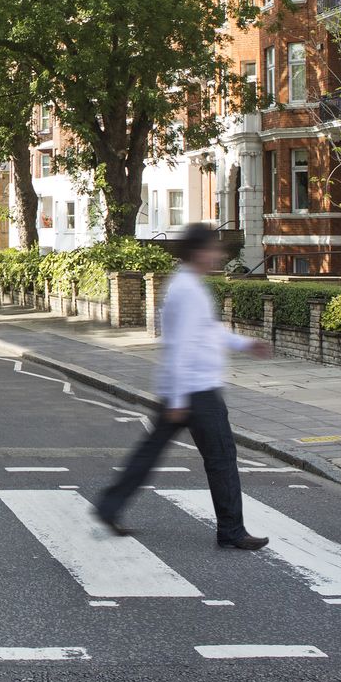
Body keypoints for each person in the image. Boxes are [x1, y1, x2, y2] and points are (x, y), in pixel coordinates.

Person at [90, 223, 272, 550]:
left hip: (187, 389)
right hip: (196, 391)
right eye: (213, 248)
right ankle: (231, 530)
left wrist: (246, 345)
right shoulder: (187, 289)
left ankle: (109, 505)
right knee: (222, 458)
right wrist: (178, 398)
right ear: (199, 252)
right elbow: (181, 345)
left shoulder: (188, 285)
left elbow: (208, 333)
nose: (218, 254)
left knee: (151, 452)